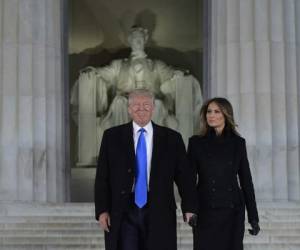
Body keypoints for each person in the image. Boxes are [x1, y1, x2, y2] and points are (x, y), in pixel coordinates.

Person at [71, 26, 202, 165]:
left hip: (151, 102)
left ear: (145, 40)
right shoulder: (119, 65)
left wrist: (179, 73)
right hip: (124, 102)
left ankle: (155, 152)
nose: (137, 41)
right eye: (134, 38)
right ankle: (121, 153)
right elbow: (104, 73)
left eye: (140, 38)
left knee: (156, 104)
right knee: (119, 102)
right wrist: (93, 71)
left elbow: (170, 73)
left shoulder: (156, 65)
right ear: (130, 41)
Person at [94, 89, 197, 250]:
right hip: (123, 209)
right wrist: (102, 210)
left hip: (160, 208)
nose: (141, 109)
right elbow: (102, 177)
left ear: (153, 108)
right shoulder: (111, 137)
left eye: (146, 105)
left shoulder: (172, 138)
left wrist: (189, 207)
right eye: (136, 105)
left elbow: (185, 177)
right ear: (129, 109)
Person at [187, 97, 260, 250]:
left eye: (216, 111)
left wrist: (253, 217)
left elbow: (246, 181)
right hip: (205, 211)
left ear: (226, 115)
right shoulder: (196, 142)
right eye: (208, 112)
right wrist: (190, 209)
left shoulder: (238, 143)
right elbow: (189, 180)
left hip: (232, 211)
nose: (211, 115)